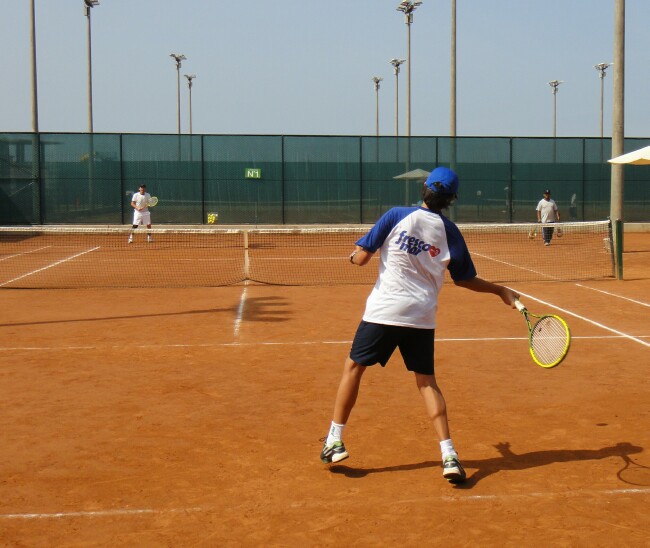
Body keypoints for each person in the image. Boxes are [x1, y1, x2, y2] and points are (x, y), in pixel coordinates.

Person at [319, 167, 520, 485]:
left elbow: (361, 259)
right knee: (427, 383)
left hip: (383, 312)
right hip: (421, 318)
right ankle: (449, 455)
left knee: (353, 369)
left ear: (424, 189)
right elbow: (465, 279)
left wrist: (353, 255)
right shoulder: (449, 231)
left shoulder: (396, 214)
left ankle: (334, 441)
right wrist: (500, 290)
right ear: (450, 200)